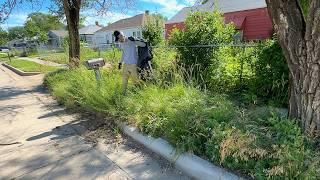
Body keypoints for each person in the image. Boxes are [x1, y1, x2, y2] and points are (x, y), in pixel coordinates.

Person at [113, 30, 146, 95]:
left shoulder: (131, 40)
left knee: (135, 81)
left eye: (119, 38)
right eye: (118, 39)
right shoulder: (122, 44)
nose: (119, 41)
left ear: (121, 36)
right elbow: (124, 53)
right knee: (124, 80)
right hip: (126, 64)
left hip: (133, 64)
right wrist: (120, 62)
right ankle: (123, 94)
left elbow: (143, 45)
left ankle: (139, 93)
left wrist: (135, 40)